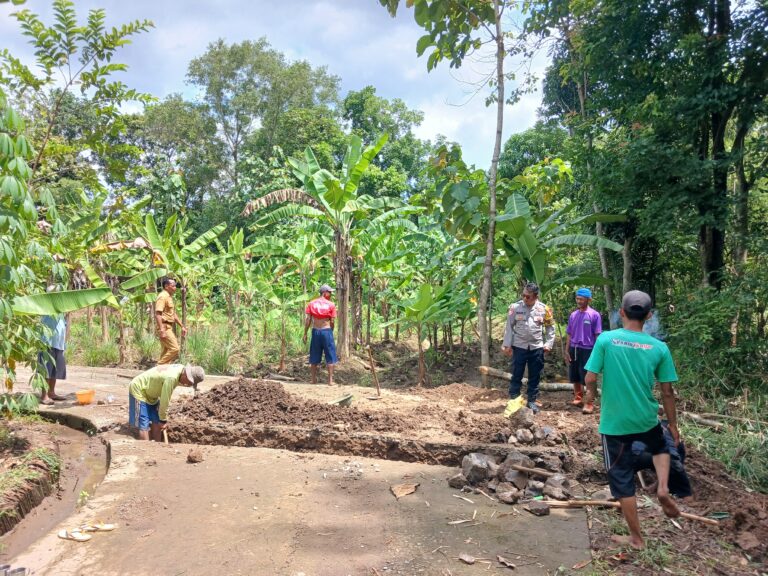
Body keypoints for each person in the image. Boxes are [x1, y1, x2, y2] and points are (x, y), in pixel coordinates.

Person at [584, 290, 681, 550]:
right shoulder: (659, 348)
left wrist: (590, 397)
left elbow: (591, 378)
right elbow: (667, 391)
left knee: (622, 478)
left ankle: (637, 538)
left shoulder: (606, 340)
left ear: (621, 313)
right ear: (649, 316)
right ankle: (662, 488)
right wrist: (672, 424)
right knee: (660, 447)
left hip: (615, 425)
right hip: (647, 419)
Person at [501, 282, 555, 416]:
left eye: (528, 296)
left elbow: (550, 328)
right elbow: (509, 327)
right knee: (516, 374)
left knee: (535, 375)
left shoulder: (544, 309)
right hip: (519, 346)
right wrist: (507, 344)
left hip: (537, 347)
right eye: (523, 295)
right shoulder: (515, 307)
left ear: (536, 296)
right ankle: (514, 399)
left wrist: (548, 344)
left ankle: (532, 400)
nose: (525, 298)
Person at [128, 363, 205, 441]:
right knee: (144, 422)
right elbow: (164, 400)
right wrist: (163, 420)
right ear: (186, 375)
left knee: (156, 421)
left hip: (151, 392)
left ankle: (158, 447)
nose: (188, 385)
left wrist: (161, 420)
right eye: (190, 382)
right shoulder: (171, 378)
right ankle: (146, 448)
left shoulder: (181, 369)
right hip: (139, 389)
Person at [633, 418, 693, 500]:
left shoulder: (643, 422)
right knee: (673, 467)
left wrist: (656, 485)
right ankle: (688, 500)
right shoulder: (668, 433)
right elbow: (673, 461)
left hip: (632, 455)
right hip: (651, 455)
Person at [564, 287, 602, 414]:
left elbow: (597, 335)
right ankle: (578, 397)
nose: (579, 301)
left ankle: (589, 402)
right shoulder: (573, 315)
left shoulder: (594, 315)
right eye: (577, 298)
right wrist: (566, 350)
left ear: (588, 299)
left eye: (581, 299)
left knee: (588, 377)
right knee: (574, 374)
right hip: (574, 348)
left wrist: (598, 353)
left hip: (588, 349)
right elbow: (569, 333)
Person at [303, 284, 338, 386]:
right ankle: (330, 381)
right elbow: (332, 321)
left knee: (314, 355)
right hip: (326, 330)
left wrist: (305, 333)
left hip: (315, 331)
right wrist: (331, 330)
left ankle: (313, 380)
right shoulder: (331, 305)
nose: (331, 294)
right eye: (330, 292)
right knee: (330, 355)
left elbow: (308, 319)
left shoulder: (311, 303)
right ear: (325, 293)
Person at [38, 310, 67, 405]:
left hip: (58, 343)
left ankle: (51, 392)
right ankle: (44, 395)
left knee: (55, 370)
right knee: (46, 370)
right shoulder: (50, 301)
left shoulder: (61, 308)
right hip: (47, 342)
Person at [155, 277, 187, 364]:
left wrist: (182, 326)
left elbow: (173, 314)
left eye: (175, 286)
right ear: (166, 286)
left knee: (166, 351)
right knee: (175, 348)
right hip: (164, 327)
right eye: (173, 286)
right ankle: (159, 365)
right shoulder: (162, 297)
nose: (175, 288)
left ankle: (160, 373)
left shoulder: (169, 297)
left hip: (168, 326)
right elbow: (158, 313)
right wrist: (161, 329)